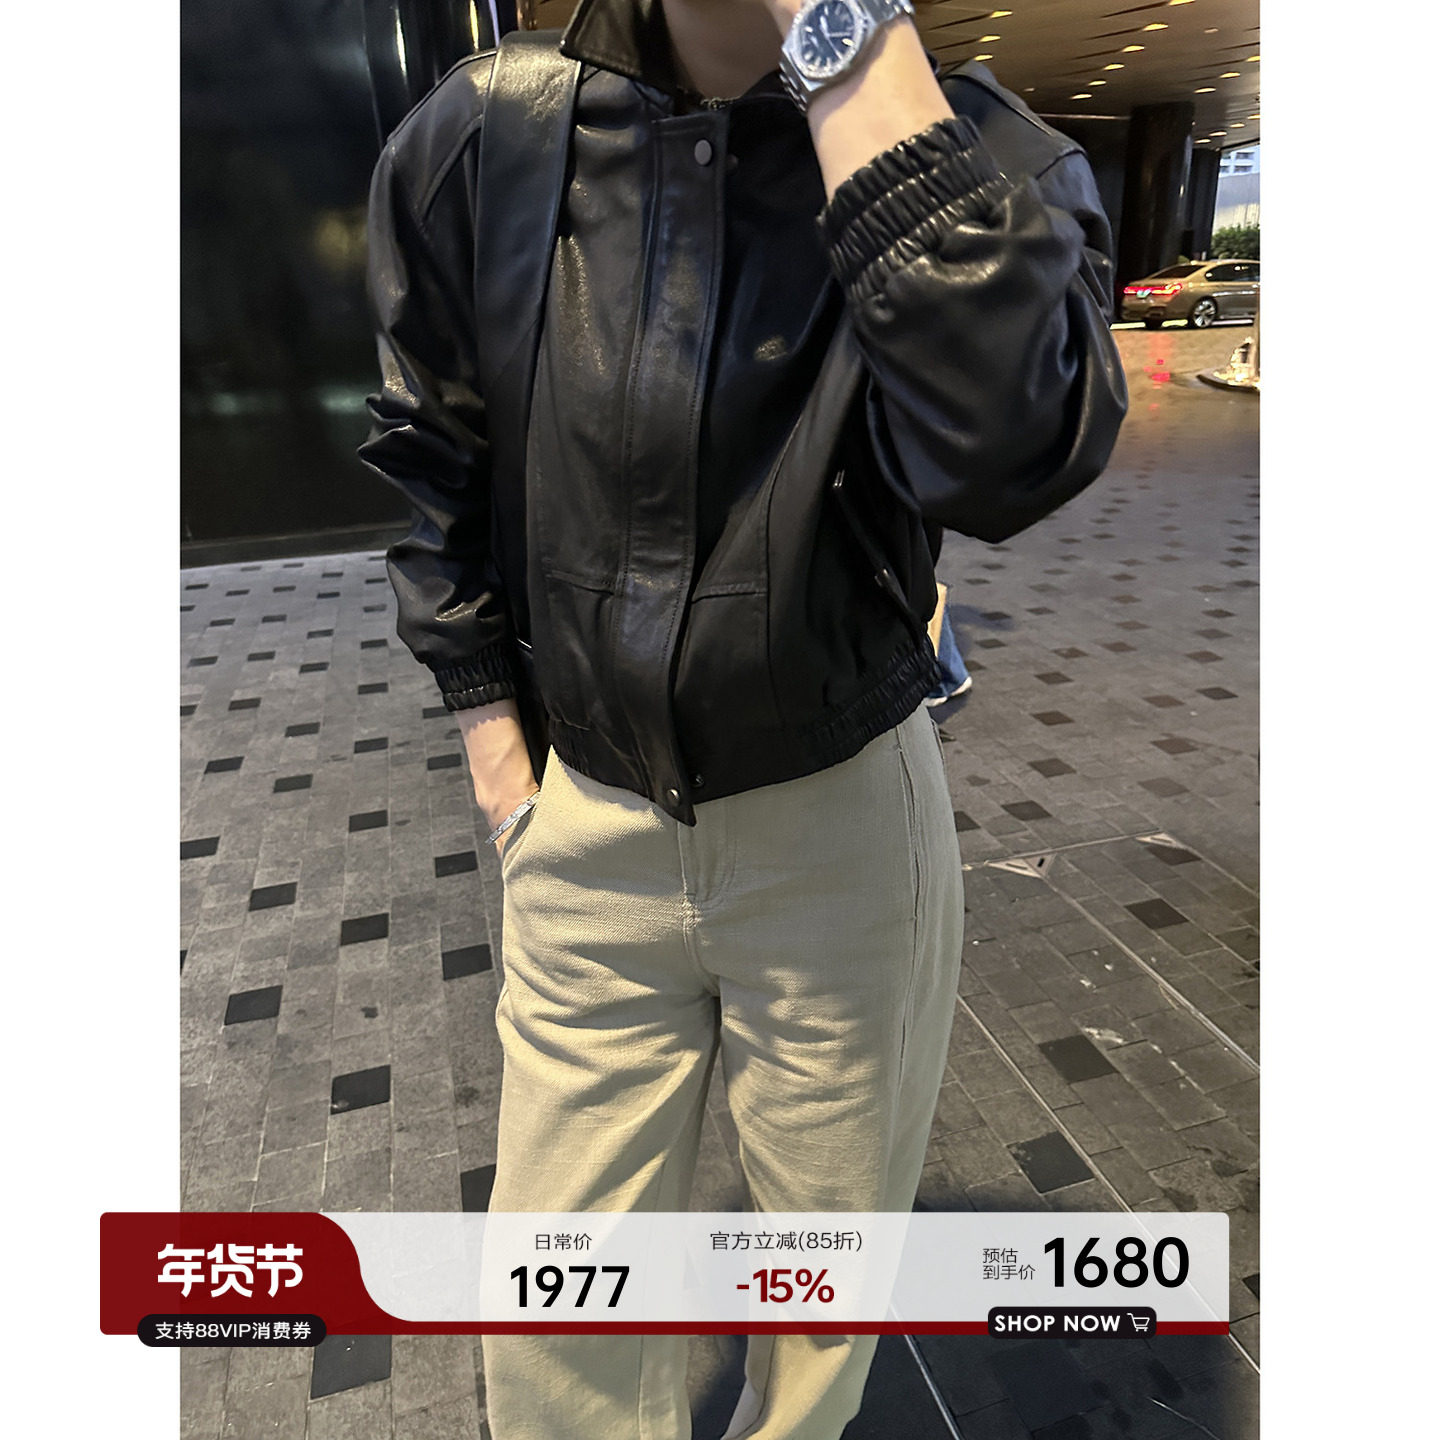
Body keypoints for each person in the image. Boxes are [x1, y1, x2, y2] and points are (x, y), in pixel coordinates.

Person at [359, 1, 1127, 1435]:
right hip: (583, 821)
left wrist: (845, 42)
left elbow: (1011, 454)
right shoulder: (486, 135)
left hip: (843, 827)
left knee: (821, 1297)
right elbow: (436, 448)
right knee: (556, 1315)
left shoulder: (980, 154)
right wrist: (499, 764)